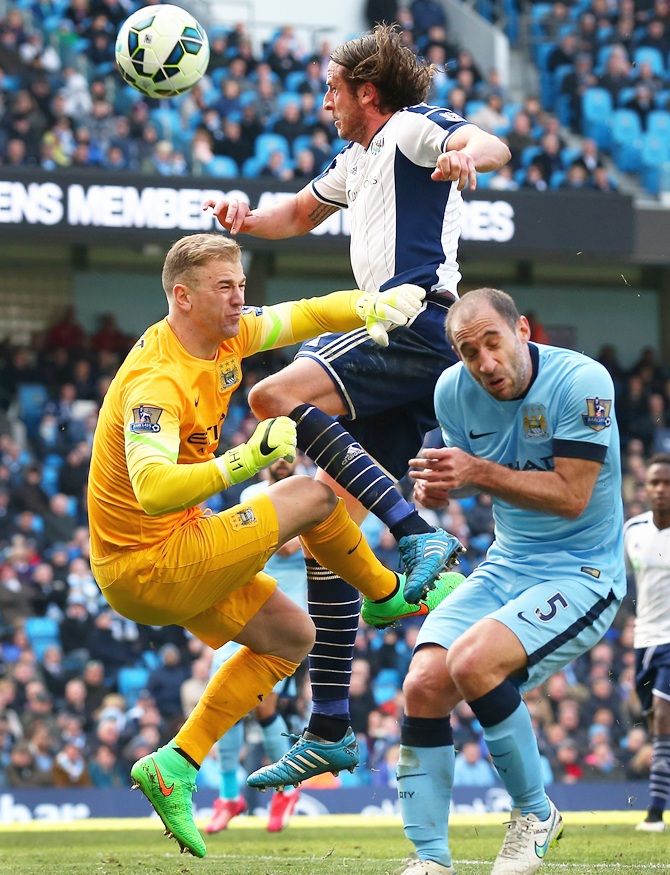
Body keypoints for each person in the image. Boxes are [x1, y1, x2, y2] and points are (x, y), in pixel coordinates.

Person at [204, 23, 510, 790]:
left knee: (270, 391)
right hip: (400, 340)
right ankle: (332, 725)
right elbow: (297, 216)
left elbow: (491, 142)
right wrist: (243, 221)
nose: (325, 100)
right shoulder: (357, 158)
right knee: (322, 522)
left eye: (334, 89)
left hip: (410, 317)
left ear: (367, 92)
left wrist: (470, 154)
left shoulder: (408, 130)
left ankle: (418, 537)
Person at [86, 232, 457, 859]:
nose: (239, 299)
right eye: (225, 288)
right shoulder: (156, 380)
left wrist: (366, 307)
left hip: (161, 556)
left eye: (241, 285)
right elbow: (151, 490)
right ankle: (389, 593)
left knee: (292, 638)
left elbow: (303, 315)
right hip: (150, 561)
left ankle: (177, 763)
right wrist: (242, 461)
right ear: (182, 296)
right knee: (313, 498)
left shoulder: (224, 336)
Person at [395, 287, 626, 875]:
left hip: (584, 570)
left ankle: (535, 814)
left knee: (472, 663)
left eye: (492, 342)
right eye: (469, 353)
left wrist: (476, 472)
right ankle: (430, 860)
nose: (485, 363)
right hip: (508, 564)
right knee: (422, 683)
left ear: (522, 329)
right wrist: (436, 487)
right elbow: (457, 476)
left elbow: (573, 496)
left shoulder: (583, 382)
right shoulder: (452, 391)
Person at [204, 454, 307, 835]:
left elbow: (291, 547)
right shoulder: (252, 492)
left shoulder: (313, 492)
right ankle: (232, 795)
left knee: (259, 703)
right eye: (276, 456)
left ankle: (280, 791)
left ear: (300, 457)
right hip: (251, 606)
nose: (283, 462)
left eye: (289, 456)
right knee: (223, 696)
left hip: (292, 616)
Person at [623, 454, 670, 832]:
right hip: (645, 640)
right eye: (655, 482)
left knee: (662, 713)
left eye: (667, 483)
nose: (660, 489)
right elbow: (621, 584)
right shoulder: (633, 531)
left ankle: (655, 811)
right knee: (653, 719)